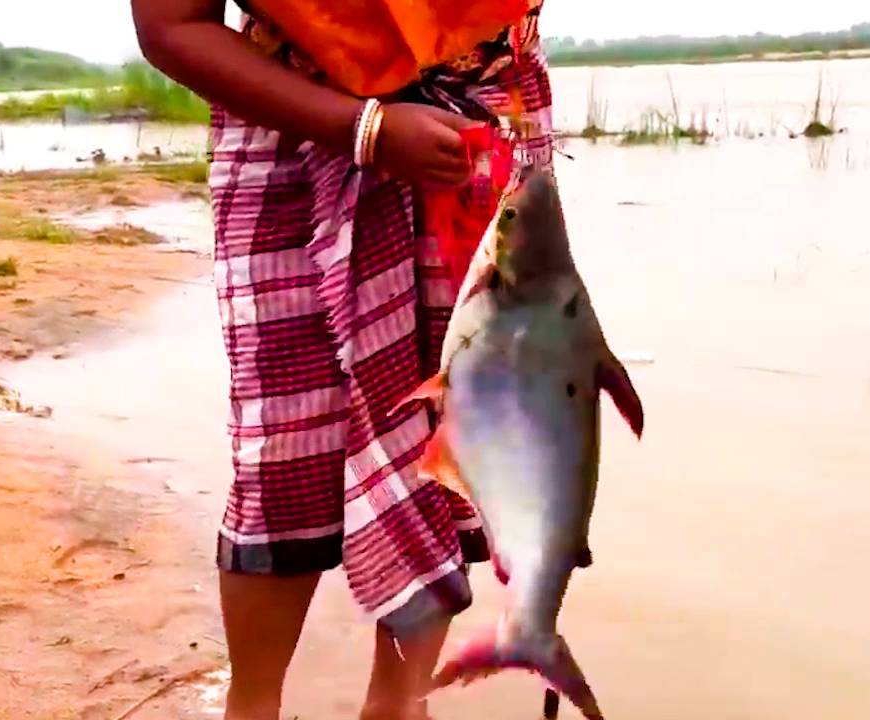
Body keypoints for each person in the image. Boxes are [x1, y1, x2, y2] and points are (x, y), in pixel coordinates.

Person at [131, 1, 555, 718]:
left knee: (446, 449)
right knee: (284, 453)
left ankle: (398, 705)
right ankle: (253, 706)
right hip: (294, 139)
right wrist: (364, 129)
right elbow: (171, 24)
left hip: (483, 135)